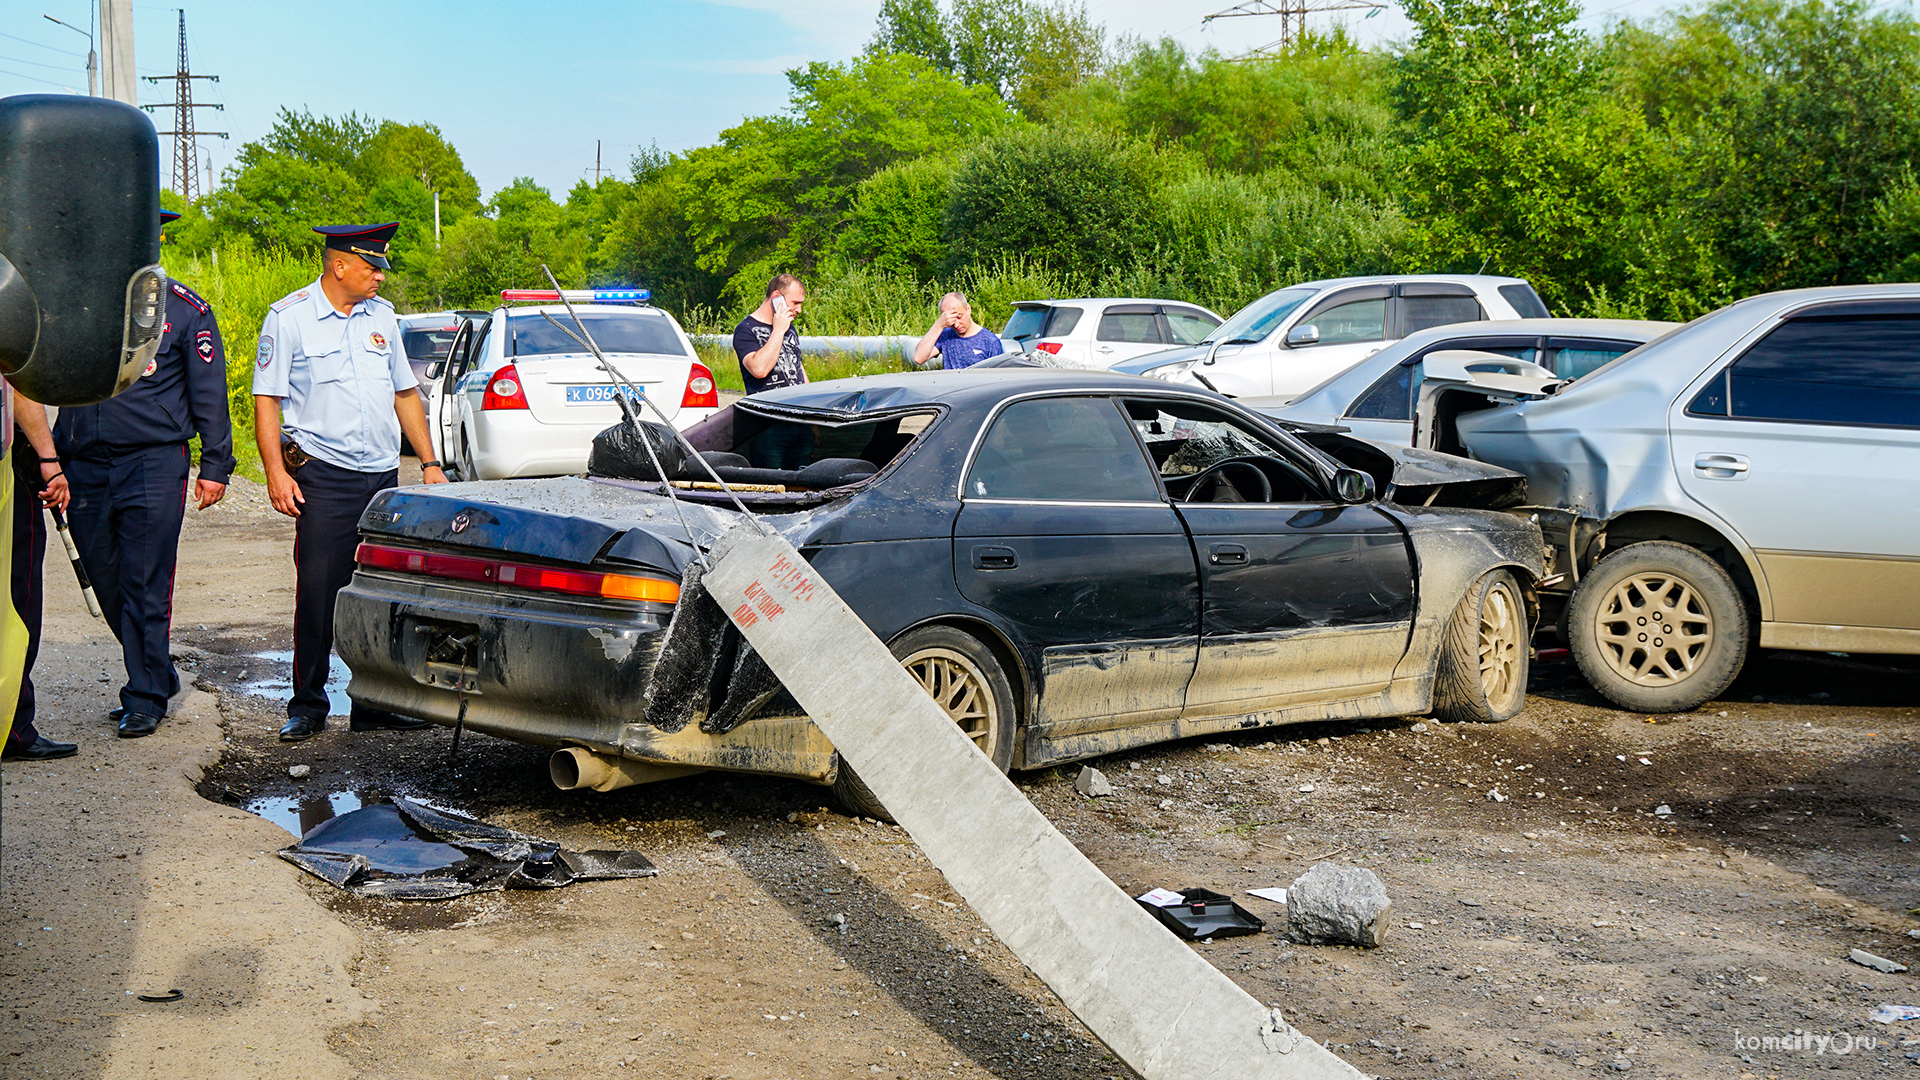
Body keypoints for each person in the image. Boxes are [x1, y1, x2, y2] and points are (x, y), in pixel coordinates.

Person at [254, 223, 447, 743]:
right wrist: (275, 471)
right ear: (339, 266)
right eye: (371, 266)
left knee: (380, 593)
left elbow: (405, 393)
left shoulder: (383, 318)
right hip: (324, 474)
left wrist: (428, 461)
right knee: (318, 593)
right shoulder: (289, 318)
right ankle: (308, 704)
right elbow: (267, 399)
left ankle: (375, 702)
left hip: (381, 475)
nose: (380, 276)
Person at [52, 209, 233, 740]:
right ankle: (157, 670)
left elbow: (208, 391)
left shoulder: (182, 309)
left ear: (153, 240)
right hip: (84, 464)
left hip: (152, 462)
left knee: (145, 581)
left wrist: (216, 463)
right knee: (107, 581)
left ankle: (146, 695)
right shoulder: (73, 303)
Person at [2, 391, 76, 760]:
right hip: (6, 469)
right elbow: (17, 384)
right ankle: (12, 729)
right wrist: (49, 459)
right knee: (19, 595)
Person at [732, 273, 813, 469]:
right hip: (767, 427)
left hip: (800, 422)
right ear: (776, 296)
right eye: (795, 302)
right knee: (772, 485)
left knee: (803, 485)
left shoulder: (790, 329)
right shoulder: (745, 330)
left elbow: (798, 369)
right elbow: (759, 369)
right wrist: (778, 330)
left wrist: (814, 419)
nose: (799, 310)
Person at [910, 292, 1003, 370]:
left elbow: (999, 379)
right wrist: (939, 325)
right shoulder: (945, 336)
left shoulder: (990, 341)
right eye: (951, 321)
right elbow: (919, 358)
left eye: (959, 317)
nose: (956, 325)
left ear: (968, 309)